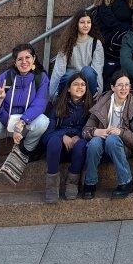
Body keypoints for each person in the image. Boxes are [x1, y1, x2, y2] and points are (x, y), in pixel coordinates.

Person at [0, 44, 50, 176]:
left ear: (34, 58)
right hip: (3, 122)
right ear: (15, 62)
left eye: (28, 57)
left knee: (43, 121)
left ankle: (26, 150)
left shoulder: (40, 78)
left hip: (24, 123)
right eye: (20, 59)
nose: (24, 62)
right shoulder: (5, 77)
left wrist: (22, 121)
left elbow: (39, 104)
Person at [81, 69, 133, 199]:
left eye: (127, 85)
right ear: (113, 87)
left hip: (123, 148)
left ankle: (126, 182)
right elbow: (85, 130)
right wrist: (95, 131)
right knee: (95, 142)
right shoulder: (102, 103)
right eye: (120, 85)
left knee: (112, 139)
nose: (124, 88)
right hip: (101, 149)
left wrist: (121, 132)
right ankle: (90, 183)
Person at [42, 73, 92, 202]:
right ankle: (52, 186)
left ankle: (72, 182)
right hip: (58, 150)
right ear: (69, 88)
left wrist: (78, 136)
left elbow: (91, 130)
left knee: (81, 144)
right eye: (76, 84)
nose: (80, 87)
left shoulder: (90, 107)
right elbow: (47, 134)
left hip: (78, 152)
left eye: (83, 85)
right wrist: (62, 136)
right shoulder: (58, 106)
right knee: (53, 140)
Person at [48, 9, 104, 99]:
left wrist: (99, 90)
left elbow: (97, 69)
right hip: (70, 79)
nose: (86, 25)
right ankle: (64, 99)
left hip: (87, 81)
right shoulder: (67, 42)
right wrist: (53, 93)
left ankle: (88, 100)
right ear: (76, 24)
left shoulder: (96, 43)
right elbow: (59, 69)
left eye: (88, 22)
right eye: (82, 22)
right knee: (69, 74)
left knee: (88, 71)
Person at [93, 0, 133, 78]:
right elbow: (110, 22)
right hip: (109, 34)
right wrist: (129, 30)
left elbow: (131, 20)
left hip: (124, 33)